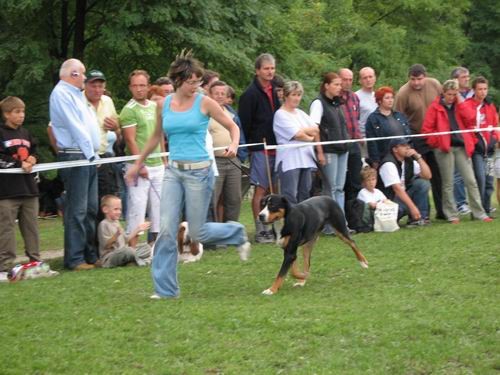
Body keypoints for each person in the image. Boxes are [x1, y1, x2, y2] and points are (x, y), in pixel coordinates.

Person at [125, 51, 251, 299]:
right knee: (166, 230)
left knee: (198, 232)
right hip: (173, 171)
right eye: (191, 82)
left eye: (198, 81)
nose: (196, 86)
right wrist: (137, 163)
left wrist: (234, 145)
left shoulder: (204, 102)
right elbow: (155, 137)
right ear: (178, 80)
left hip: (200, 173)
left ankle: (236, 233)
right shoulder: (164, 104)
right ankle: (166, 289)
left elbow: (233, 126)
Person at [50, 58, 100, 270]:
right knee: (77, 210)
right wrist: (91, 155)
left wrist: (93, 154)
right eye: (83, 73)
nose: (86, 78)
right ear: (73, 74)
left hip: (88, 156)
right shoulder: (61, 94)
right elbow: (76, 127)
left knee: (90, 209)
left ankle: (90, 255)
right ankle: (74, 259)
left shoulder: (77, 95)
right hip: (76, 156)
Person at [421, 79, 491, 223]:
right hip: (444, 149)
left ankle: (479, 213)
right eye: (449, 94)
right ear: (443, 93)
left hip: (460, 146)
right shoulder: (435, 107)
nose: (452, 97)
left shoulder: (460, 104)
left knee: (470, 180)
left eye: (455, 94)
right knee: (448, 182)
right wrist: (439, 143)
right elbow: (427, 131)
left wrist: (460, 101)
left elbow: (471, 118)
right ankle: (451, 214)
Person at [120, 70, 165, 247]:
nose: (139, 89)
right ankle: (132, 247)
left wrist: (163, 160)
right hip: (138, 166)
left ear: (148, 86)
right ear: (130, 87)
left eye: (142, 85)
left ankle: (157, 246)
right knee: (137, 208)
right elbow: (130, 139)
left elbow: (159, 134)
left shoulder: (155, 107)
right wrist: (140, 165)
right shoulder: (128, 110)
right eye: (135, 85)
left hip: (158, 164)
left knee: (159, 207)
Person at [239, 53, 280, 243]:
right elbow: (244, 123)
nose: (270, 71)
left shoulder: (274, 90)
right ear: (257, 71)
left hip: (275, 145)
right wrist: (249, 146)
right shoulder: (250, 94)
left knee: (274, 188)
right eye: (266, 68)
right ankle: (260, 229)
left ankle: (273, 225)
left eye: (272, 68)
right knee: (261, 189)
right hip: (259, 147)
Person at [394, 64, 444, 220]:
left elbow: (445, 103)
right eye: (413, 79)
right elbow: (398, 118)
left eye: (419, 79)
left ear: (425, 76)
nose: (416, 83)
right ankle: (424, 213)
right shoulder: (403, 93)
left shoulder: (435, 84)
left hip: (436, 136)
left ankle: (442, 211)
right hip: (416, 137)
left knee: (438, 175)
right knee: (422, 175)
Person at [0, 96, 41, 282]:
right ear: (7, 114)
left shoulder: (26, 133)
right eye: (17, 112)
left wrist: (33, 158)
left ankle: (36, 263)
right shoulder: (1, 134)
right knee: (6, 229)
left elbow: (34, 151)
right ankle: (5, 267)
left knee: (31, 227)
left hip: (29, 189)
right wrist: (19, 163)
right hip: (7, 192)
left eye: (23, 111)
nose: (21, 115)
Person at [273, 80, 319, 204]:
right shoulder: (280, 115)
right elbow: (297, 135)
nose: (296, 98)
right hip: (290, 161)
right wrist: (307, 137)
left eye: (298, 95)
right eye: (293, 95)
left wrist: (304, 133)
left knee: (305, 196)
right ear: (286, 95)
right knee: (290, 196)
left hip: (306, 159)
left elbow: (315, 130)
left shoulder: (301, 114)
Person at [83, 70, 121, 219]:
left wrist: (116, 127)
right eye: (94, 86)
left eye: (101, 86)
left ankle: (103, 240)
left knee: (104, 203)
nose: (98, 90)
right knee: (86, 205)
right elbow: (52, 129)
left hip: (104, 158)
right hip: (83, 157)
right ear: (85, 85)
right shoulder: (77, 100)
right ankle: (86, 241)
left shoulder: (107, 101)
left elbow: (117, 131)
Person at [310, 72, 349, 213]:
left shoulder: (338, 104)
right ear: (326, 86)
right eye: (336, 84)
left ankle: (341, 221)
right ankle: (329, 224)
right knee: (330, 188)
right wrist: (320, 152)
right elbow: (314, 129)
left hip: (342, 149)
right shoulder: (318, 103)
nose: (340, 87)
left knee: (339, 188)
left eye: (340, 84)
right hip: (328, 150)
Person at [461, 76, 499, 216]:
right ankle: (477, 211)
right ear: (474, 90)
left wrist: (495, 139)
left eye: (485, 89)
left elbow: (495, 125)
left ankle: (486, 207)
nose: (483, 92)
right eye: (480, 89)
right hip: (476, 149)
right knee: (480, 179)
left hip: (489, 150)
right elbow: (466, 124)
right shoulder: (468, 105)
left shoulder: (489, 106)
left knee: (489, 180)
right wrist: (473, 142)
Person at [208, 80, 242, 222]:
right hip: (215, 161)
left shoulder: (232, 114)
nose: (220, 96)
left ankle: (231, 230)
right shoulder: (205, 114)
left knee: (234, 198)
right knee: (213, 199)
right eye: (216, 93)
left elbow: (239, 133)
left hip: (232, 161)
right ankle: (214, 233)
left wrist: (240, 154)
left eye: (223, 93)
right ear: (210, 95)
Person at [378, 138, 432, 226]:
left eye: (408, 145)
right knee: (399, 210)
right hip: (389, 200)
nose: (407, 148)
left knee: (423, 183)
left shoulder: (408, 160)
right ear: (395, 149)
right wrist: (413, 207)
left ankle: (421, 218)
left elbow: (427, 175)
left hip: (402, 196)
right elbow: (397, 189)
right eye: (403, 146)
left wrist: (418, 157)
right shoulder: (388, 164)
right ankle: (396, 218)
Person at [97, 195, 152, 268]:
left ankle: (132, 260)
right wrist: (116, 235)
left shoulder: (116, 222)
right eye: (116, 209)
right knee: (129, 251)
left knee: (146, 247)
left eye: (120, 209)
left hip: (123, 251)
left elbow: (126, 239)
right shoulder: (104, 224)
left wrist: (138, 229)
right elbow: (106, 245)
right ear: (105, 209)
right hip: (110, 257)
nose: (119, 212)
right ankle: (139, 261)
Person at [365, 86, 411, 168]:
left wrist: (411, 149)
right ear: (379, 101)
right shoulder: (372, 119)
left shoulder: (400, 115)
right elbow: (372, 143)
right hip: (386, 158)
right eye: (387, 98)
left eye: (392, 97)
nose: (390, 100)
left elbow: (408, 135)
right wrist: (375, 160)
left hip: (405, 155)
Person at [451, 67, 473, 215]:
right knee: (457, 174)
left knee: (472, 174)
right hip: (457, 139)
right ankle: (460, 203)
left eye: (468, 76)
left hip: (471, 137)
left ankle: (478, 203)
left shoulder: (471, 93)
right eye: (464, 77)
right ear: (455, 79)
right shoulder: (451, 95)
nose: (467, 79)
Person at [339, 68, 363, 201]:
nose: (348, 83)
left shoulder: (355, 97)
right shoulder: (335, 98)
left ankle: (355, 213)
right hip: (341, 144)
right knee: (341, 181)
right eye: (344, 79)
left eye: (350, 80)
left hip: (354, 144)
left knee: (356, 180)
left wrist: (359, 136)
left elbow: (356, 119)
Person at [355, 67, 377, 157]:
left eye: (370, 77)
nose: (368, 80)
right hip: (363, 139)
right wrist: (359, 137)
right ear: (360, 80)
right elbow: (353, 120)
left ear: (375, 78)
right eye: (365, 78)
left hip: (377, 137)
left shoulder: (377, 95)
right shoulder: (356, 97)